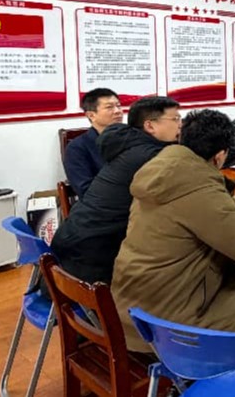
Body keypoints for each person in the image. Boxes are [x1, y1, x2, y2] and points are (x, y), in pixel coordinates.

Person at [112, 109, 235, 353]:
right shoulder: (200, 186)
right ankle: (209, 370)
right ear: (220, 156)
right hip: (165, 321)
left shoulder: (164, 170)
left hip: (132, 304)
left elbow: (193, 209)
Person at [51, 96, 181, 284]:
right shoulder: (153, 156)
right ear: (150, 125)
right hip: (95, 257)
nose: (180, 125)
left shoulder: (128, 147)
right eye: (175, 119)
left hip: (72, 240)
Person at [64, 88, 123, 197]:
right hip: (106, 203)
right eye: (109, 107)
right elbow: (85, 189)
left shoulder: (131, 138)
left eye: (118, 106)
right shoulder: (77, 148)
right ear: (91, 115)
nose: (118, 111)